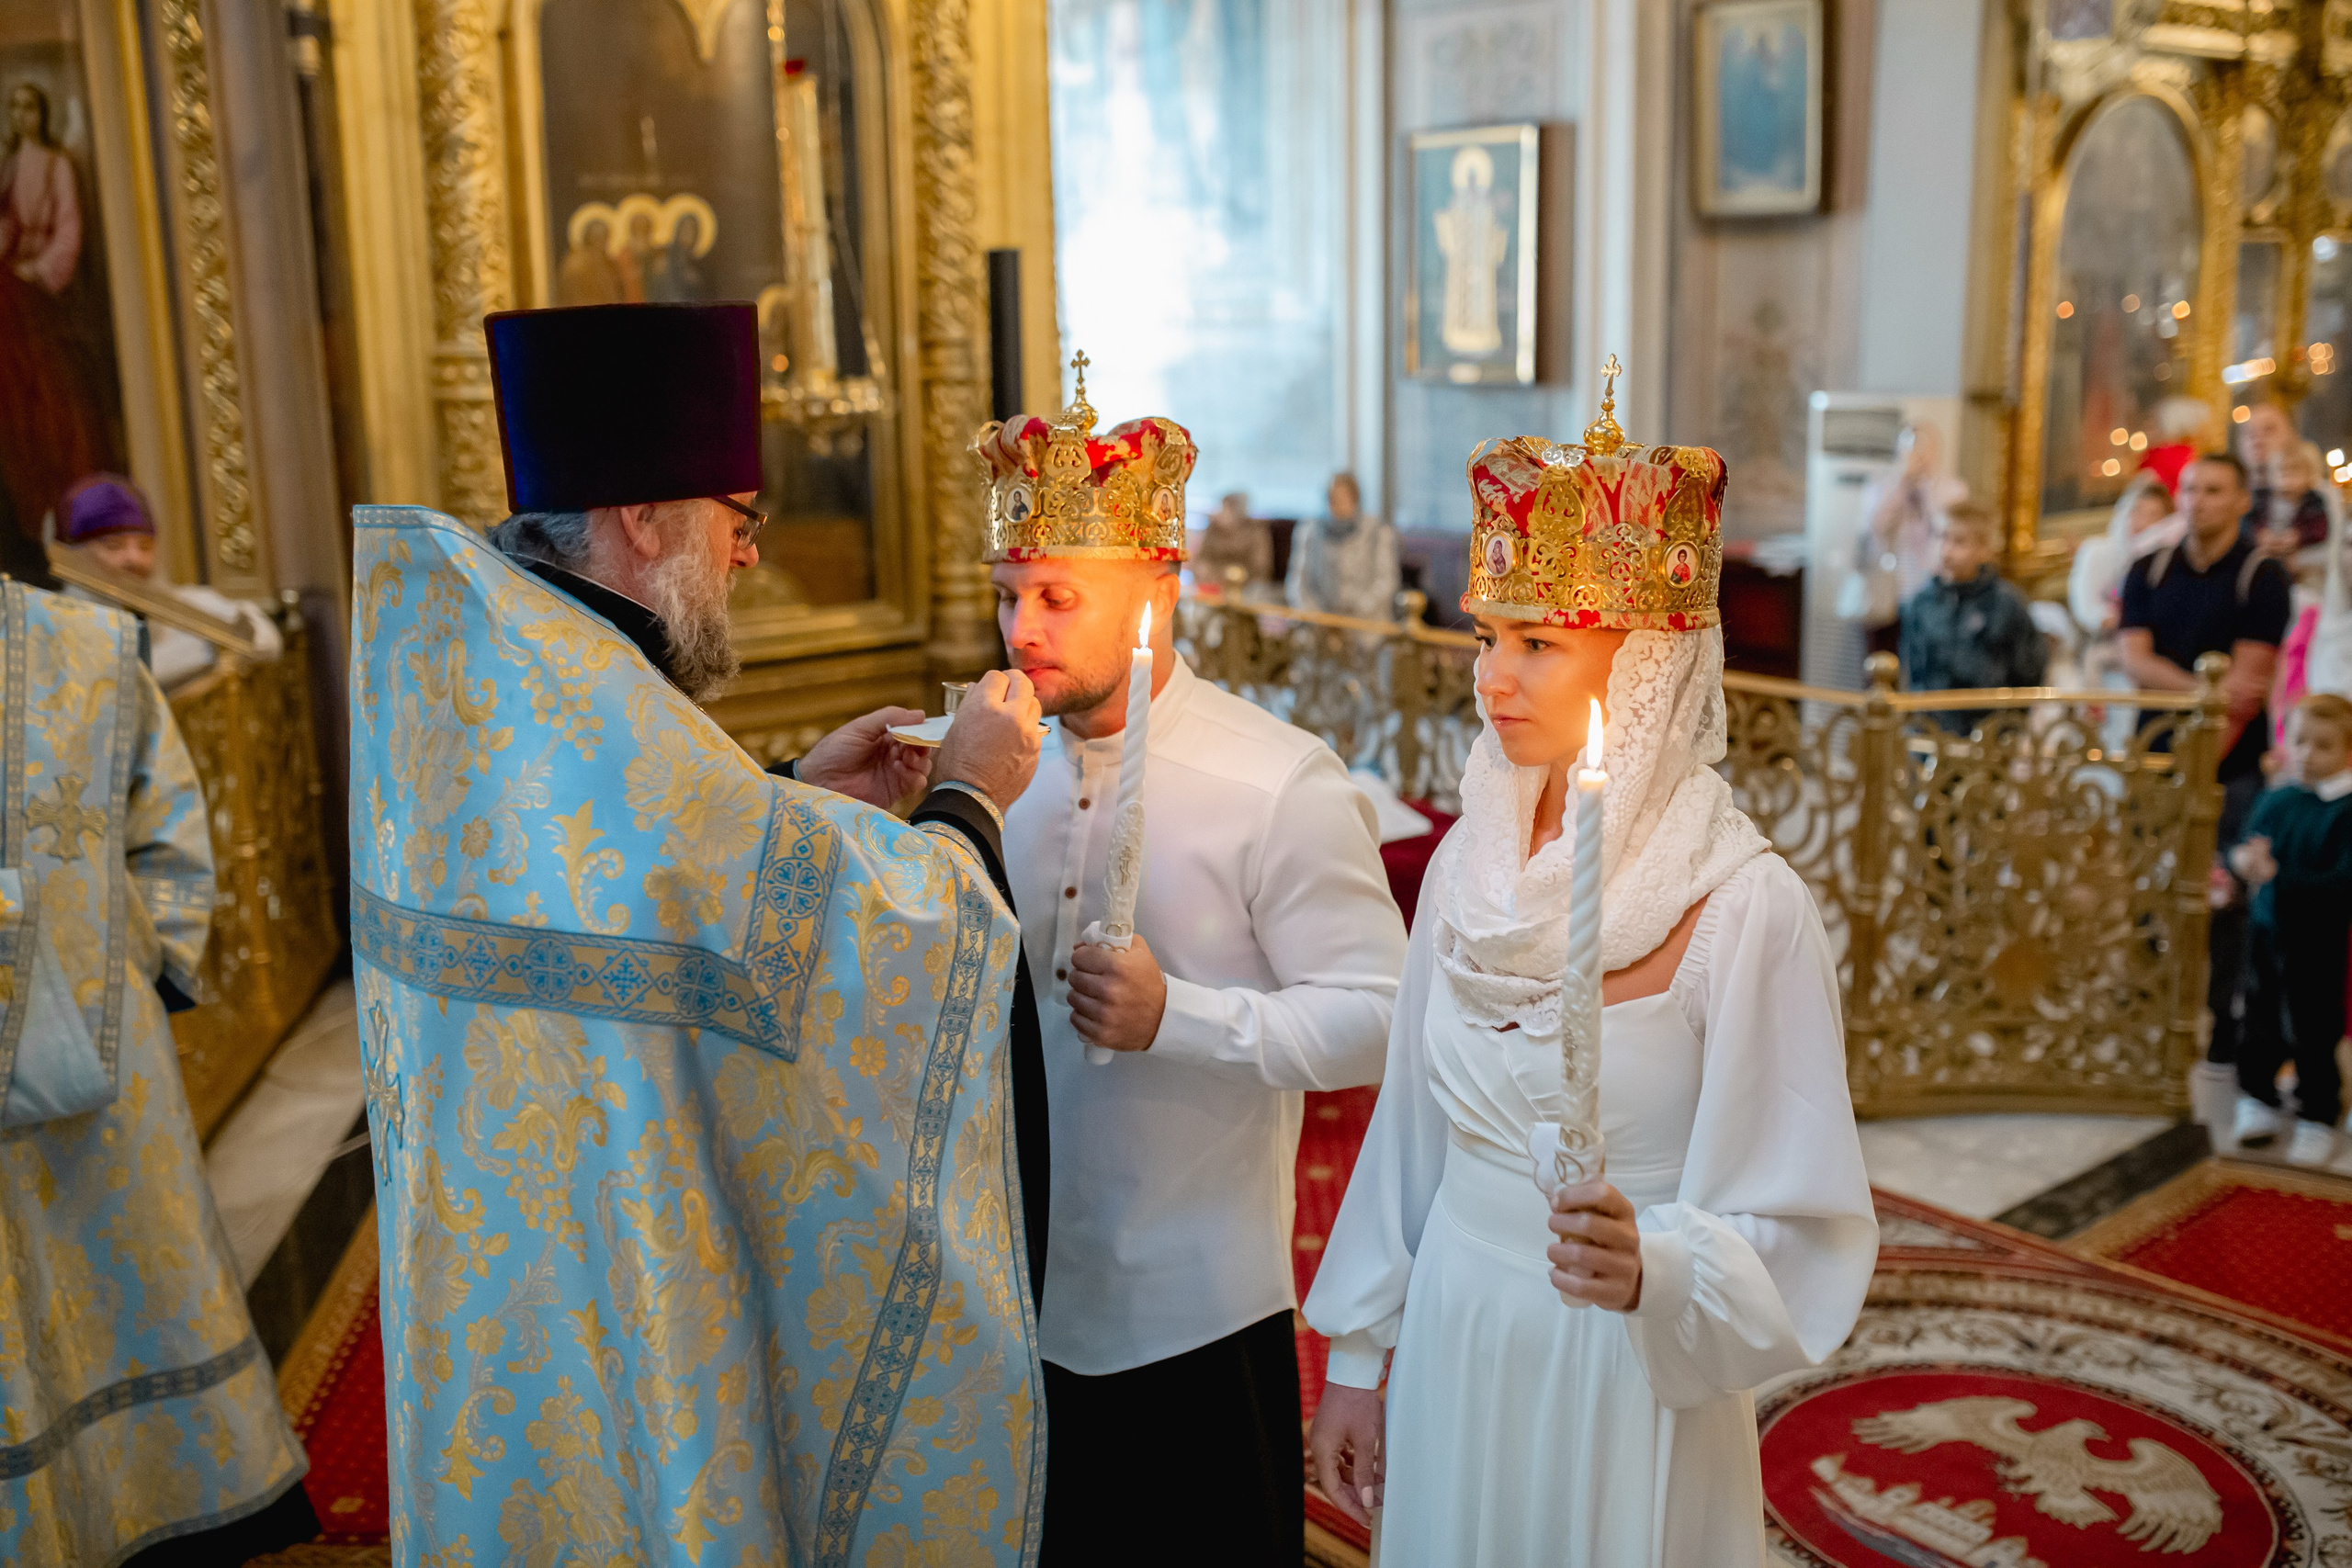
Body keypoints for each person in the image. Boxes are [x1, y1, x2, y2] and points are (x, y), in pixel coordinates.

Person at [351, 300, 1055, 1561]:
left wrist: (785, 789)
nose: (746, 556)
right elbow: (863, 937)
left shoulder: (505, 666)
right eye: (738, 518)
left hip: (507, 1287)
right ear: (643, 517)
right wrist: (967, 796)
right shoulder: (588, 697)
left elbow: (632, 873)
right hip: (613, 1281)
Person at [1303, 392, 1876, 1564]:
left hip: (1625, 1362)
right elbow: (1412, 1129)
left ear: (1649, 667)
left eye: (1537, 642)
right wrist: (1359, 1360)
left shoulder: (1741, 905)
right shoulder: (1468, 861)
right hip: (1464, 1323)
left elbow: (1805, 1217)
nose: (1492, 680)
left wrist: (1658, 1264)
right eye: (1485, 637)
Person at [971, 366, 1407, 1565]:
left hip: (1198, 1321)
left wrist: (1185, 1016)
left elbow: (1383, 1014)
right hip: (1019, 1303)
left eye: (1058, 594)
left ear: (1156, 586)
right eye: (1010, 594)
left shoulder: (1278, 781)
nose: (1022, 630)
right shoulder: (997, 761)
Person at [0, 578, 318, 1562]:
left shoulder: (85, 645)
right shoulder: (83, 640)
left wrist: (131, 978)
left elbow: (172, 833)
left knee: (115, 1291)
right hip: (108, 1049)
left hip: (104, 1074)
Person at [2120, 452, 2292, 1092]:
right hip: (2154, 756)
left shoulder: (2260, 576)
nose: (2197, 500)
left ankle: (2223, 1020)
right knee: (2146, 887)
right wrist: (2199, 689)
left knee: (2226, 900)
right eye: (2189, 488)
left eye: (2214, 489)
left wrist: (2199, 746)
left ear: (2242, 498)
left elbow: (2246, 690)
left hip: (2231, 765)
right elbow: (2132, 658)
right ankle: (2145, 1008)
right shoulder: (2150, 566)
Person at [2225, 692, 2352, 1167]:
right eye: (2299, 741)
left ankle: (2318, 1113)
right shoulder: (2280, 797)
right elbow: (2245, 845)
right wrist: (2242, 862)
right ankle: (2257, 1097)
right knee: (2258, 1017)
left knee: (2312, 1027)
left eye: (2321, 745)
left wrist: (2282, 876)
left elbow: (2343, 881)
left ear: (2347, 750)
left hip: (2317, 939)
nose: (2305, 753)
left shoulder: (2344, 809)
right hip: (2266, 929)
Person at [0, 82, 114, 547]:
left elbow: (68, 231)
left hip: (40, 292)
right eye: (15, 107)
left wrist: (35, 271)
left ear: (41, 113)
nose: (22, 115)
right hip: (9, 290)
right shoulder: (8, 166)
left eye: (30, 107)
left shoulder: (57, 164)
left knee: (50, 397)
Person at [52, 472, 285, 687]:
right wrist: (205, 650)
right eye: (114, 545)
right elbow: (107, 685)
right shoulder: (55, 624)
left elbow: (265, 640)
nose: (134, 559)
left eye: (145, 546)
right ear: (75, 554)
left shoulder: (185, 601)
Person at [1897, 503, 2049, 734]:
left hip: (1986, 737)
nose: (1946, 550)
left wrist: (2008, 728)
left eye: (1959, 542)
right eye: (1941, 537)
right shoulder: (1921, 603)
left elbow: (2028, 671)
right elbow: (1913, 670)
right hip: (1930, 733)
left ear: (1984, 550)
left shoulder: (2005, 603)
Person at [1848, 420, 1964, 657]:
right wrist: (1902, 482)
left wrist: (1927, 488)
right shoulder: (1882, 487)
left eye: (1925, 448)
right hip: (1888, 592)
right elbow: (1874, 530)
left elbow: (1946, 529)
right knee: (1882, 661)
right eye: (1912, 448)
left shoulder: (1953, 490)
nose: (1919, 455)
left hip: (1933, 590)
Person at [1286, 470, 1400, 621]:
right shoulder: (1309, 533)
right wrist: (1314, 615)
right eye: (1333, 499)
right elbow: (1297, 582)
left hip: (1364, 624)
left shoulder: (1378, 533)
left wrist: (1355, 612)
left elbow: (1387, 582)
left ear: (1355, 500)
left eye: (1343, 499)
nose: (1337, 506)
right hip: (1320, 621)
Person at [1193, 489, 1272, 592]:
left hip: (1245, 588)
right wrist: (1203, 569)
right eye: (1222, 507)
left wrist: (1229, 574)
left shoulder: (1256, 531)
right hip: (1210, 586)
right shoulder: (1213, 528)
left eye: (1228, 508)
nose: (1222, 512)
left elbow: (1261, 568)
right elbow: (1200, 557)